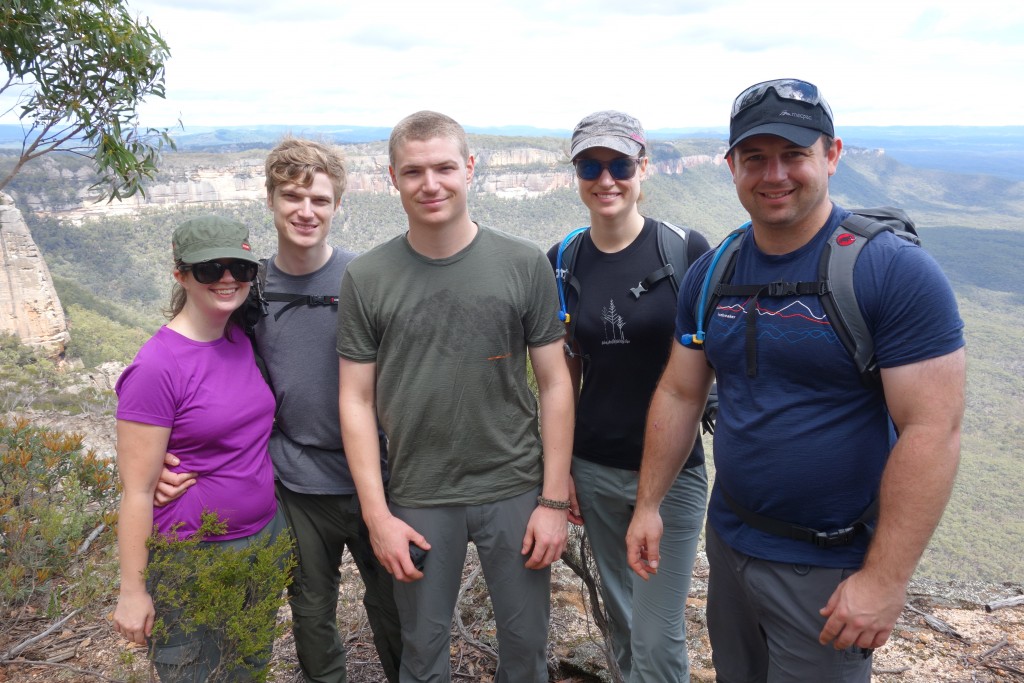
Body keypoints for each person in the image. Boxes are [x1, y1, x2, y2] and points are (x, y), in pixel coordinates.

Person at [625, 79, 966, 682]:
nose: (774, 174)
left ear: (831, 156)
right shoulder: (714, 272)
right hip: (730, 546)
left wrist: (884, 580)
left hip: (830, 567)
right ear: (731, 166)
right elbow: (681, 392)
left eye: (794, 154)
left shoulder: (891, 271)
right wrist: (648, 504)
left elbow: (932, 428)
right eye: (755, 158)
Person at [336, 110, 574, 683]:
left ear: (469, 168)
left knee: (525, 647)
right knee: (422, 651)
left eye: (444, 167)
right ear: (392, 177)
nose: (431, 183)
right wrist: (377, 516)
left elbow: (556, 382)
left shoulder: (522, 263)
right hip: (418, 491)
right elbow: (355, 400)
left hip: (514, 485)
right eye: (413, 171)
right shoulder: (368, 277)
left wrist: (553, 502)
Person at [154, 138, 402, 683]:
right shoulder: (244, 285)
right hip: (296, 483)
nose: (305, 211)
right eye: (292, 197)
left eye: (319, 199)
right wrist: (157, 460)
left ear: (338, 205)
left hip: (381, 481)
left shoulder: (368, 280)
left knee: (399, 612)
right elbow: (187, 355)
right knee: (313, 616)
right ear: (271, 200)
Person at [547, 110, 710, 682]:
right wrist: (560, 467)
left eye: (619, 164)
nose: (605, 178)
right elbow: (562, 374)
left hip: (671, 476)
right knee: (620, 618)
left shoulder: (685, 252)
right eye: (591, 165)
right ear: (577, 174)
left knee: (658, 635)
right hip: (593, 466)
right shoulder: (563, 260)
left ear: (643, 168)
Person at [113, 215, 289, 681]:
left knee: (250, 663)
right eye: (210, 269)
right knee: (193, 671)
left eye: (241, 267)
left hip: (264, 539)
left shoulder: (239, 338)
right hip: (193, 554)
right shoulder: (157, 365)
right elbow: (136, 490)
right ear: (181, 276)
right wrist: (132, 590)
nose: (227, 278)